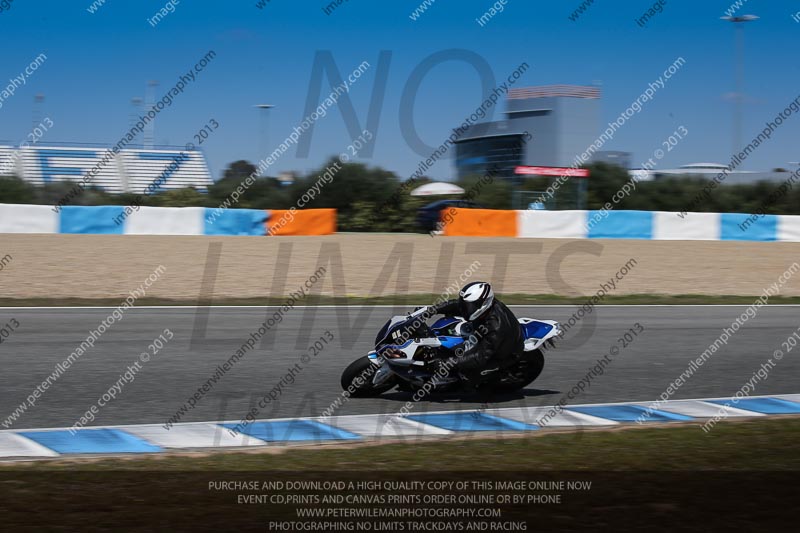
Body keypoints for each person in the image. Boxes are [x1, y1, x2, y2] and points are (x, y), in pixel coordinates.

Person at [424, 281, 524, 389]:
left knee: (467, 379)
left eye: (469, 306)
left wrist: (449, 363)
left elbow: (480, 356)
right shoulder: (484, 308)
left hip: (505, 353)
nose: (465, 308)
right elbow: (457, 305)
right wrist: (432, 310)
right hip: (485, 335)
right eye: (466, 305)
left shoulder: (496, 327)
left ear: (483, 304)